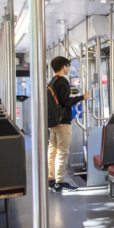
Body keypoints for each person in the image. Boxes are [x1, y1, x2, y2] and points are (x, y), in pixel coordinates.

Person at [47, 56, 90, 191]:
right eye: (68, 66)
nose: (68, 69)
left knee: (52, 151)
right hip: (63, 122)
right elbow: (66, 101)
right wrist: (82, 97)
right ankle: (60, 181)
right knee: (63, 152)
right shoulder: (63, 82)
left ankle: (50, 178)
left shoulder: (52, 81)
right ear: (64, 66)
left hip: (53, 122)